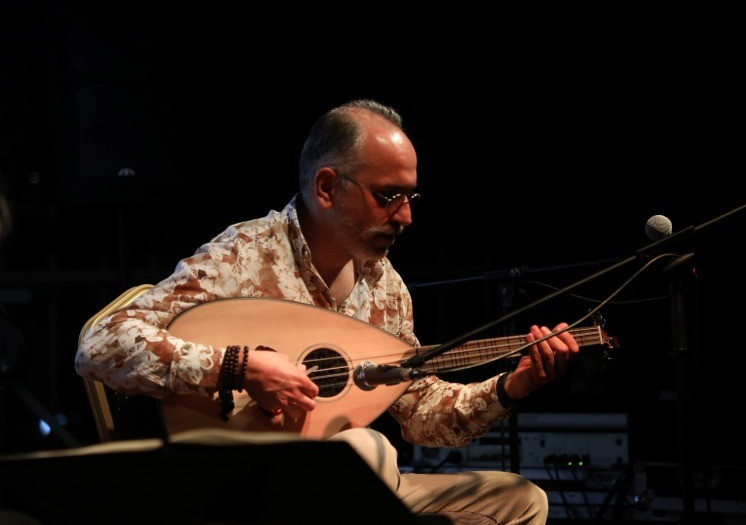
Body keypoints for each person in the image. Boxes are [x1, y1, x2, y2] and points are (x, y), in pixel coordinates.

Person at [75, 98, 580, 524]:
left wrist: (512, 386)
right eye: (388, 196)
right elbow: (100, 344)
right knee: (365, 450)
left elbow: (421, 414)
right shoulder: (244, 255)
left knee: (518, 499)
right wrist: (239, 367)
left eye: (410, 196)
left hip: (345, 487)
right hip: (242, 488)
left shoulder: (386, 286)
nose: (406, 216)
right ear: (327, 187)